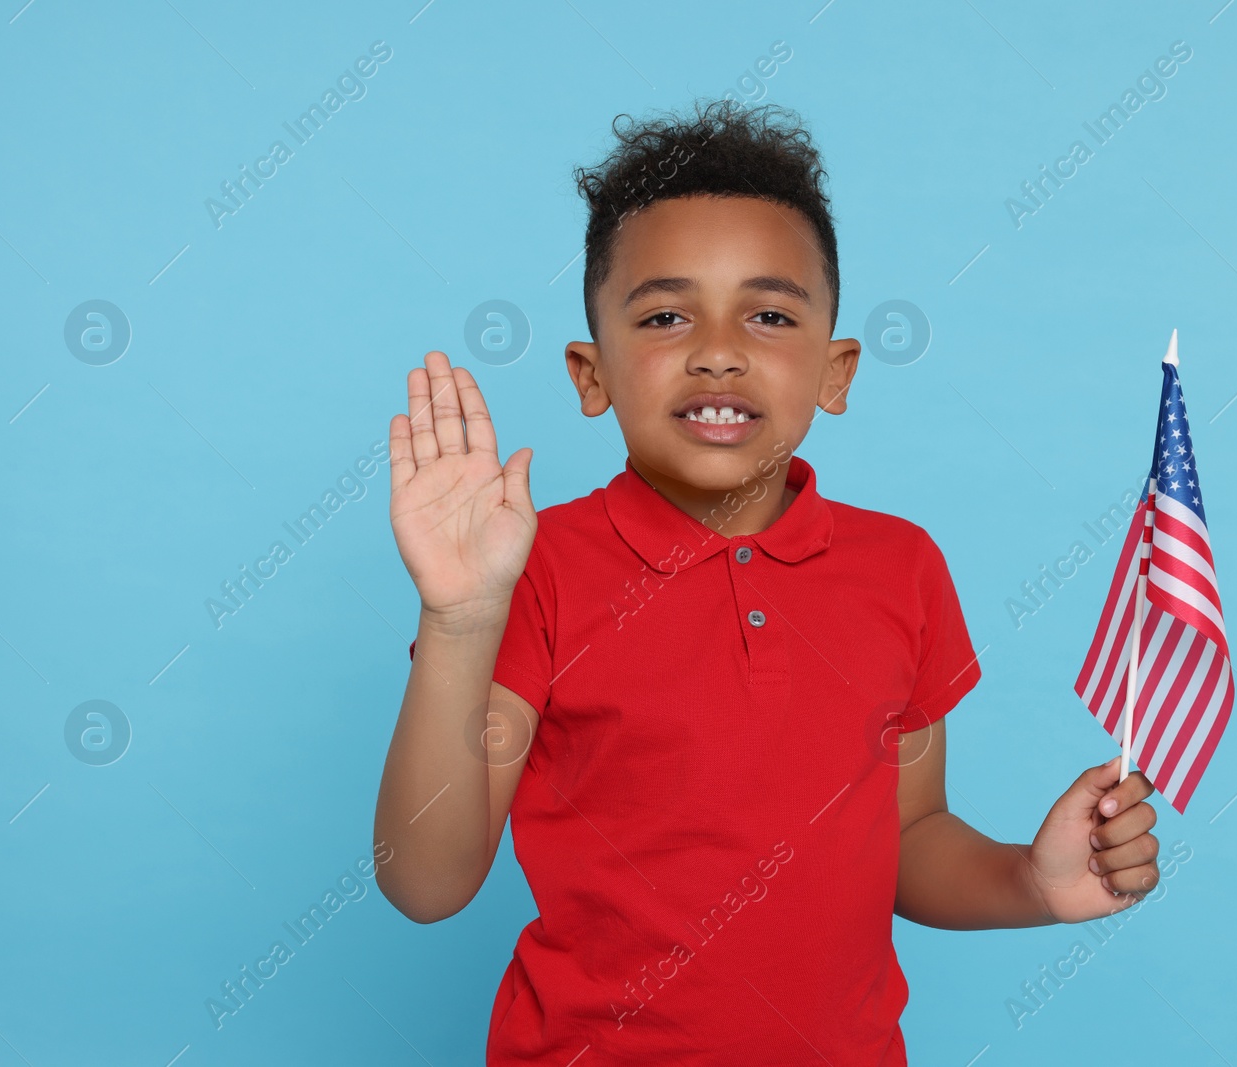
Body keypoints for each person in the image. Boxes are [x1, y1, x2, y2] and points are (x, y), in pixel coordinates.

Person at [373, 99, 1160, 1065]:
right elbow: (425, 881)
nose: (717, 349)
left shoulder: (901, 568)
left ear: (835, 371)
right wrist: (459, 616)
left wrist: (1030, 883)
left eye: (770, 315)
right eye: (665, 314)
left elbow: (906, 837)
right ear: (592, 375)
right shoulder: (534, 568)